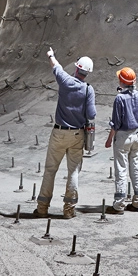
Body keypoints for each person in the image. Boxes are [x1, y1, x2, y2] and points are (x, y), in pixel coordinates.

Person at [35, 47, 95, 219]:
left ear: (77, 68)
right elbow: (91, 115)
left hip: (59, 133)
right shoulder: (88, 90)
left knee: (50, 170)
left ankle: (42, 208)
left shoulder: (65, 81)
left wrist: (51, 54)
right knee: (73, 172)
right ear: (87, 73)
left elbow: (56, 66)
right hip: (77, 135)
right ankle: (69, 209)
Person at [104, 67, 138, 213]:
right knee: (136, 168)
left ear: (121, 81)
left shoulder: (119, 98)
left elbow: (116, 123)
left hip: (123, 137)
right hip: (137, 135)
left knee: (121, 170)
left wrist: (109, 139)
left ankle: (119, 205)